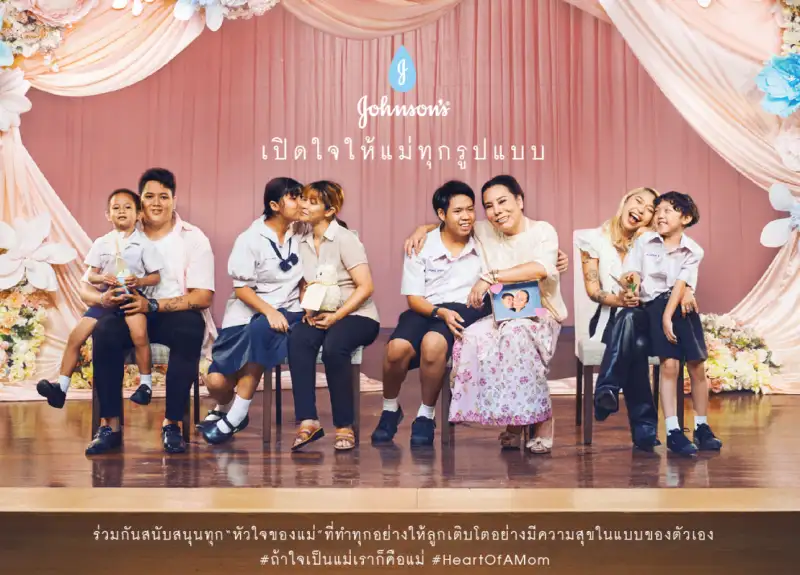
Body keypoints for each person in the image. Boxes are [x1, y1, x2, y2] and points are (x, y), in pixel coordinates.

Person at [403, 175, 568, 453]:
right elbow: (453, 222)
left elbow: (540, 268)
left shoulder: (542, 231)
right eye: (489, 206)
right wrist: (422, 229)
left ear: (520, 200)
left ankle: (541, 418)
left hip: (540, 312)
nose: (497, 211)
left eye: (503, 202)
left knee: (517, 334)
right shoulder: (485, 230)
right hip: (500, 314)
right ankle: (514, 418)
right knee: (469, 337)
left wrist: (491, 277)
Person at [79, 168, 216, 455]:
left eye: (163, 197)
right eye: (149, 196)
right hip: (128, 309)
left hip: (172, 312)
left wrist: (152, 305)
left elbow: (203, 296)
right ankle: (110, 425)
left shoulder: (193, 238)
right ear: (140, 200)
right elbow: (89, 282)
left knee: (190, 328)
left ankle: (172, 423)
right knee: (104, 331)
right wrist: (104, 298)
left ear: (174, 200)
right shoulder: (121, 234)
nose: (156, 203)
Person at [371, 180, 489, 447]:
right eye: (458, 211)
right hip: (426, 308)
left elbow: (517, 240)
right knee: (396, 349)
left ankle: (426, 414)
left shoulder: (484, 238)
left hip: (464, 309)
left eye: (470, 209)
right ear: (441, 214)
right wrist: (439, 311)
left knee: (433, 344)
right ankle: (390, 409)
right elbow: (414, 299)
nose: (466, 216)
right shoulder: (421, 244)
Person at [198, 177, 305, 446]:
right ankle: (225, 407)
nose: (301, 203)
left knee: (261, 331)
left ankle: (235, 416)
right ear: (274, 205)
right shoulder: (250, 239)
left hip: (288, 310)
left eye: (302, 197)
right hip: (248, 311)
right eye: (294, 198)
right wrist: (269, 311)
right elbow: (242, 288)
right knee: (216, 381)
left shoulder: (302, 231)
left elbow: (334, 223)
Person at [37, 189, 163, 408]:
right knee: (76, 336)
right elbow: (90, 275)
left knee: (139, 335)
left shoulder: (145, 244)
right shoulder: (102, 243)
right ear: (107, 215)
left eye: (127, 207)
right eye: (116, 208)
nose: (121, 211)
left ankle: (145, 385)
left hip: (131, 296)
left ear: (138, 214)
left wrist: (139, 281)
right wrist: (103, 278)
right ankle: (61, 388)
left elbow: (155, 276)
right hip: (108, 297)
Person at [577, 187, 680, 450]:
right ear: (625, 201)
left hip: (648, 319)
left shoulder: (654, 243)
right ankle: (644, 428)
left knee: (633, 321)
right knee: (636, 339)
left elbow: (669, 282)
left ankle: (607, 389)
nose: (641, 210)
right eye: (638, 202)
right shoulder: (593, 239)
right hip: (608, 318)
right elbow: (593, 291)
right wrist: (620, 300)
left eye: (649, 210)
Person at [623, 191, 722, 456]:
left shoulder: (693, 250)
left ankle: (701, 427)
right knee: (670, 365)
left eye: (668, 210)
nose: (660, 215)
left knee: (697, 365)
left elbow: (681, 284)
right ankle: (673, 431)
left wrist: (670, 314)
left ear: (685, 218)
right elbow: (632, 272)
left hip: (678, 305)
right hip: (653, 306)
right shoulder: (645, 242)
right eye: (658, 211)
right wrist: (632, 287)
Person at [289, 181, 381, 452]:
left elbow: (366, 286)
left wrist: (337, 316)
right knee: (298, 339)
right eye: (303, 199)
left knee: (334, 347)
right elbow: (306, 283)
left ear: (329, 211)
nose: (304, 205)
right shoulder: (302, 240)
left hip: (358, 314)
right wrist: (308, 309)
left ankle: (344, 425)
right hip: (321, 312)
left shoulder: (345, 238)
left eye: (312, 202)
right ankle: (308, 421)